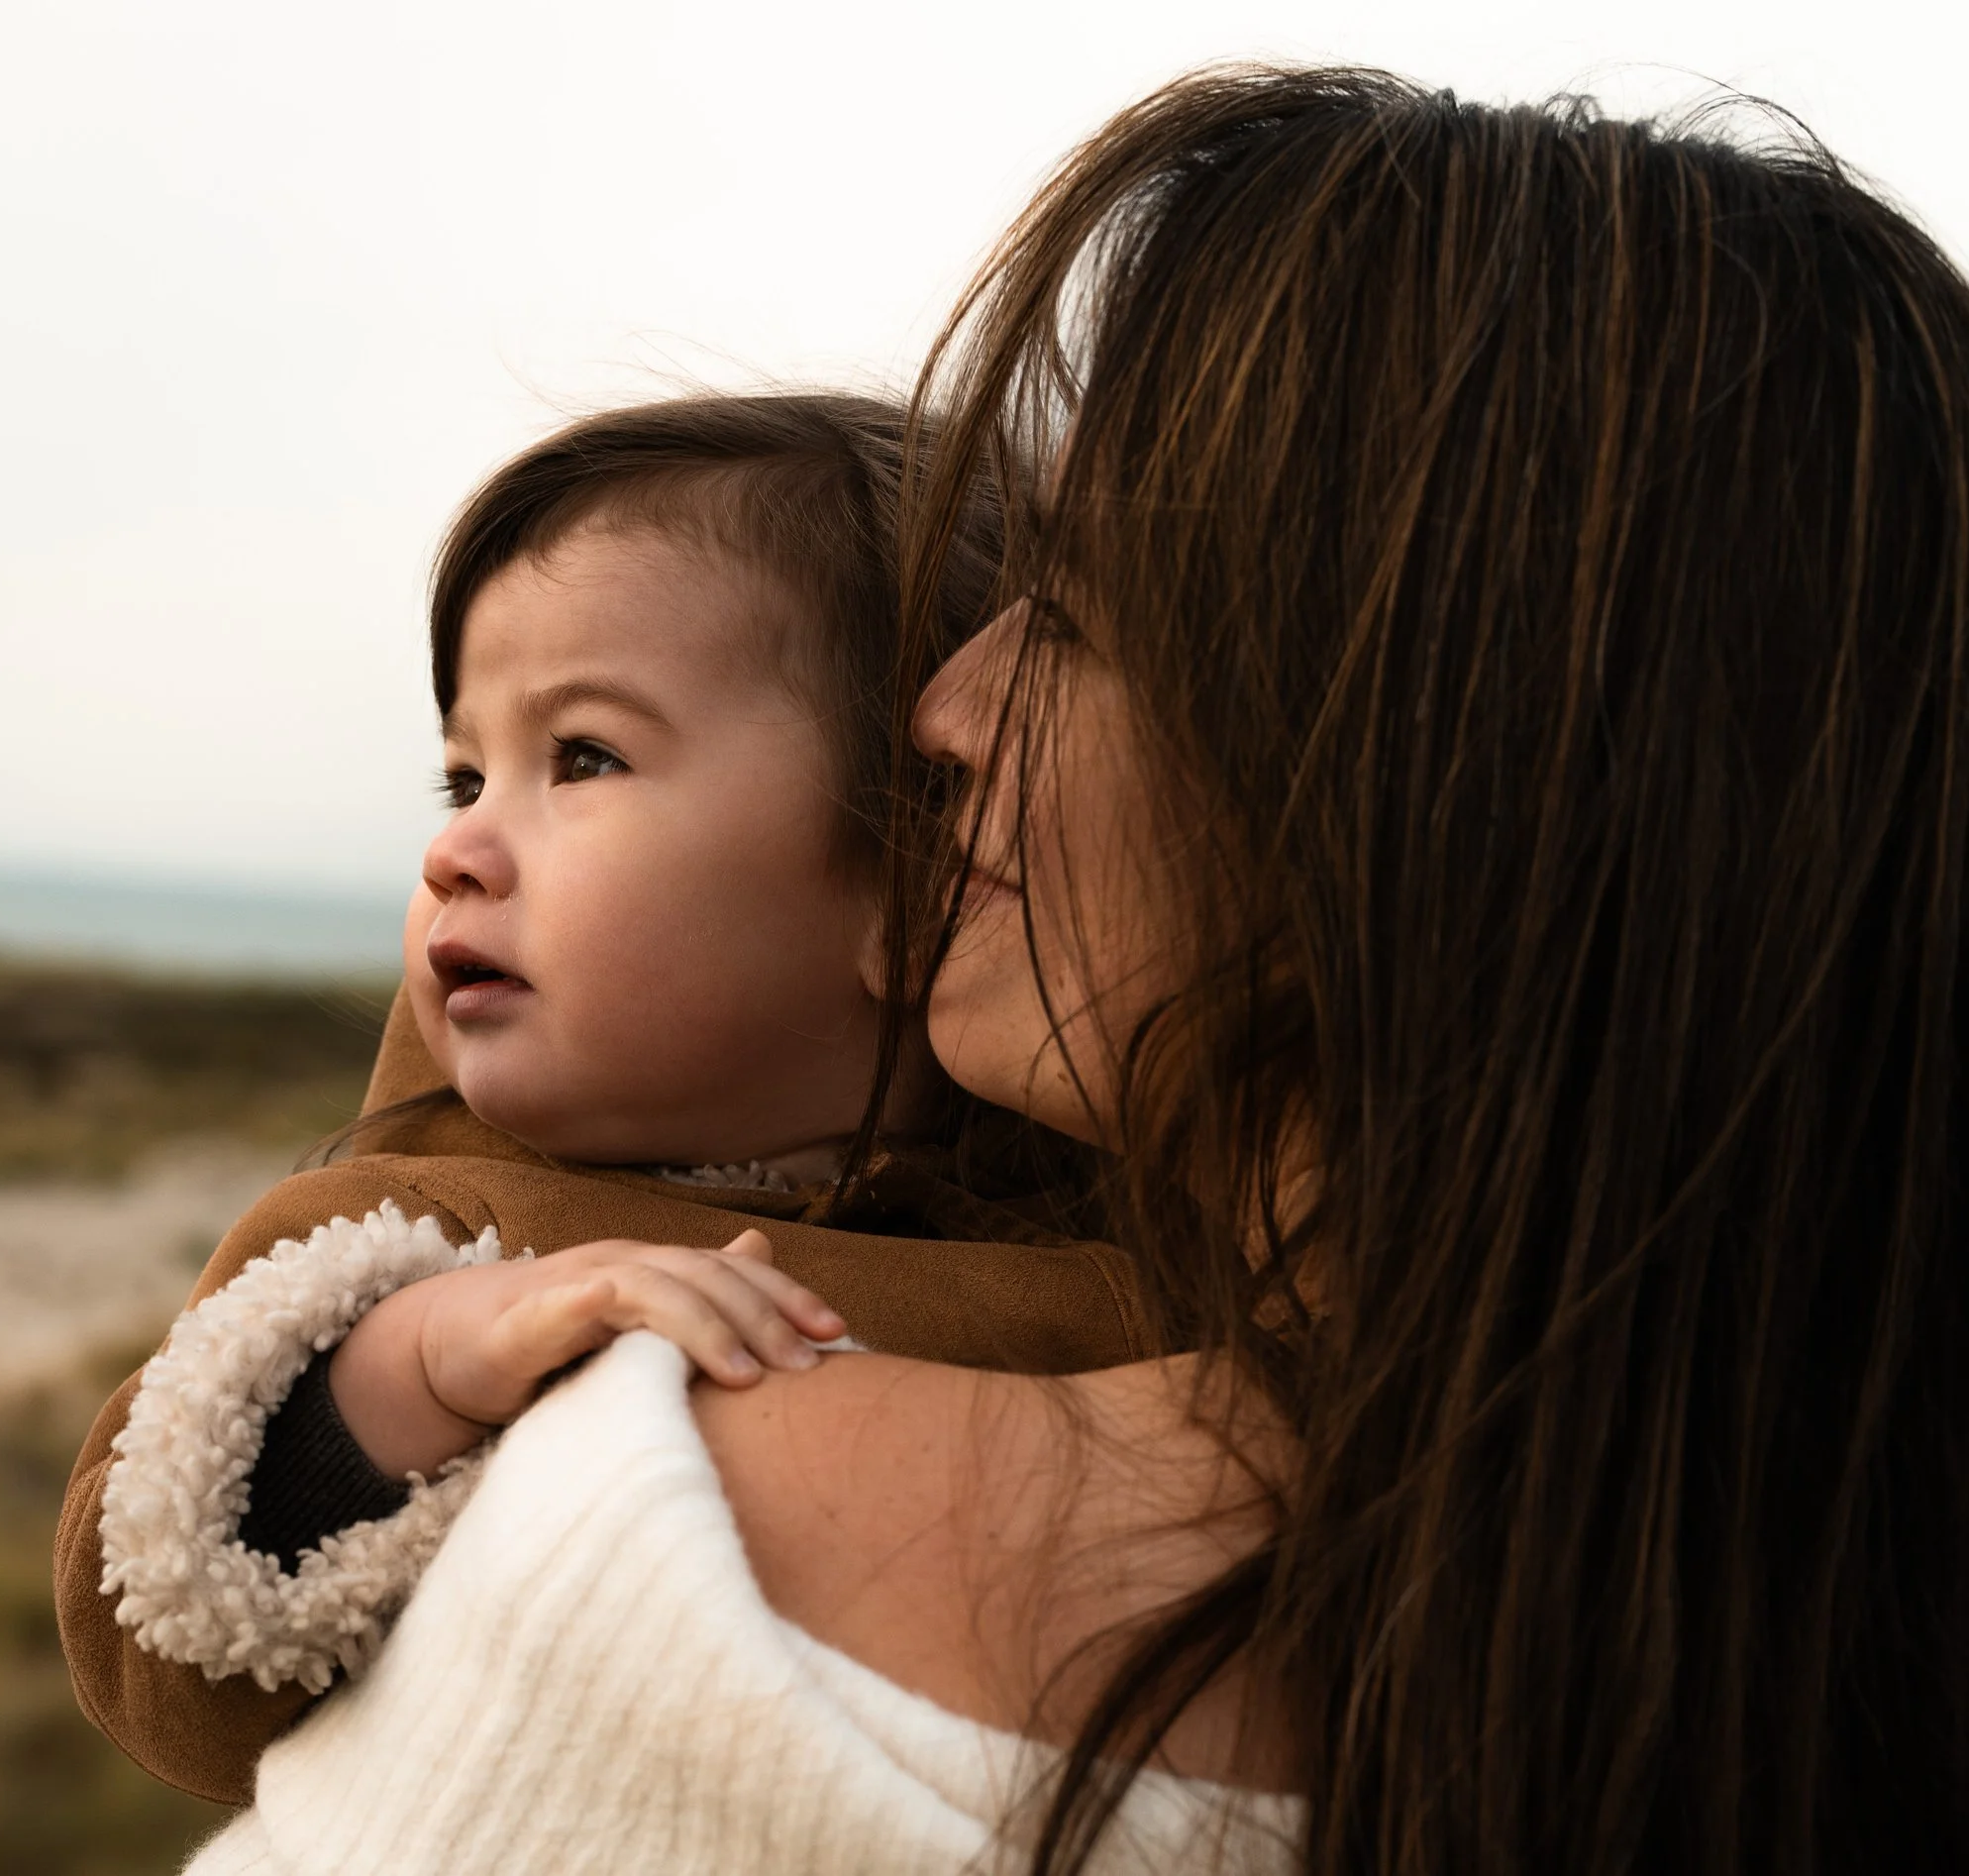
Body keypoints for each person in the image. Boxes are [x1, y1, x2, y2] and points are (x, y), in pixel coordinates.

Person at [127, 63, 1969, 1876]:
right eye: (463, 773)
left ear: (1435, 776)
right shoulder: (1815, 1631)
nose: (939, 715)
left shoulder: (692, 1542)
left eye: (1080, 617)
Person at [57, 391, 1152, 1807]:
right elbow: (149, 1637)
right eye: (463, 774)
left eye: (583, 756)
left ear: (919, 867)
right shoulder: (408, 1236)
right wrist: (424, 1368)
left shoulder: (1101, 1227)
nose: (458, 845)